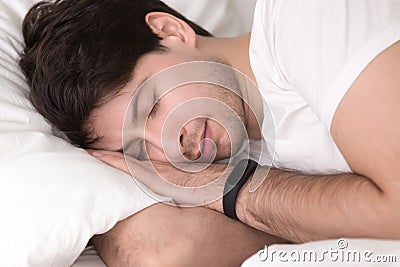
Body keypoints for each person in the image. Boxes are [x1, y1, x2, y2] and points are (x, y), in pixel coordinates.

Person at [20, 0, 400, 265]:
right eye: (136, 148)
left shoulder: (305, 17)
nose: (171, 145)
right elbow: (165, 255)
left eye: (152, 105)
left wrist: (232, 187)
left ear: (170, 31)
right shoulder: (245, 150)